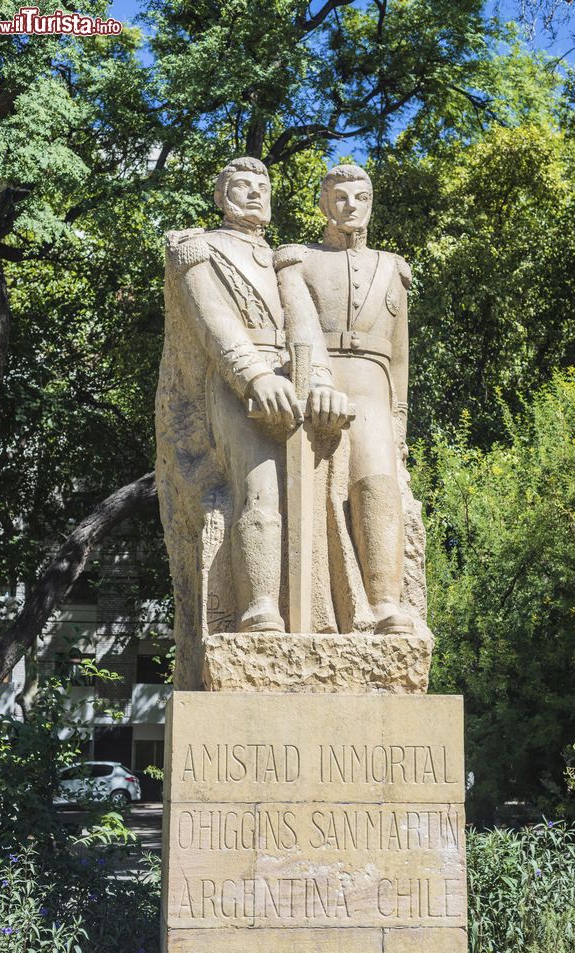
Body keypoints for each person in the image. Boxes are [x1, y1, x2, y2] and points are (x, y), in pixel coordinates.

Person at [157, 156, 345, 636]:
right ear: (221, 197)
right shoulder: (197, 248)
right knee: (259, 488)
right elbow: (212, 321)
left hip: (296, 378)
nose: (255, 193)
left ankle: (320, 616)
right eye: (242, 185)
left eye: (263, 186)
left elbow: (304, 324)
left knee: (315, 498)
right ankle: (258, 610)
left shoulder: (284, 259)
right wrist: (254, 377)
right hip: (239, 383)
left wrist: (321, 380)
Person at [275, 163, 414, 634]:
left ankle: (386, 602)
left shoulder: (394, 269)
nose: (349, 205)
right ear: (323, 204)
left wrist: (399, 421)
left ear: (371, 202)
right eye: (339, 197)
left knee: (377, 483)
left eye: (359, 197)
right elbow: (295, 325)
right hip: (323, 376)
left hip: (374, 386)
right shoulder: (299, 260)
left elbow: (400, 357)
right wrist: (314, 381)